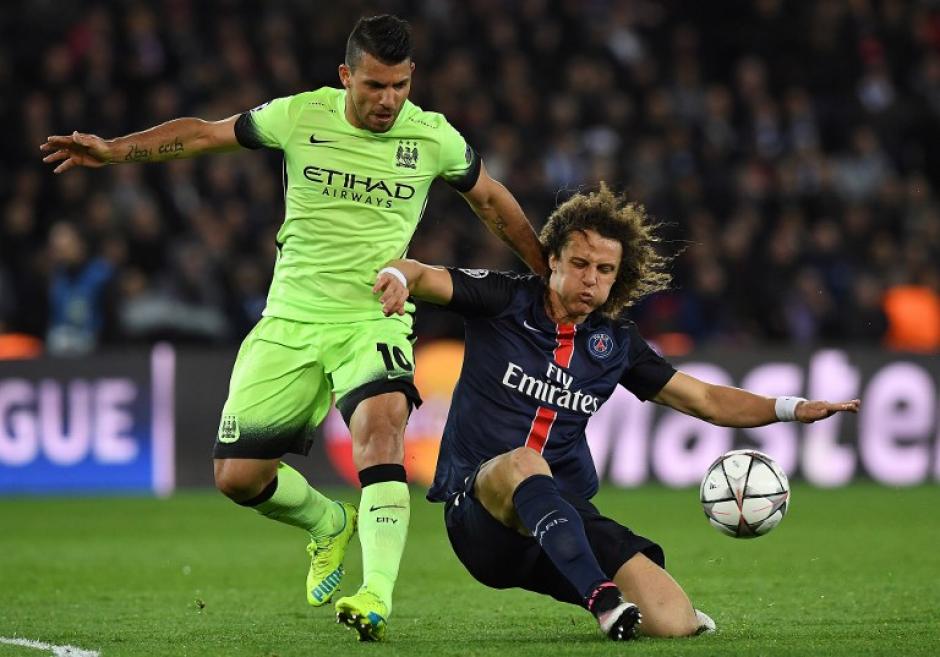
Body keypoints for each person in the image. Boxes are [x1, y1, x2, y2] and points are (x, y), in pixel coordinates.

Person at [40, 14, 546, 642]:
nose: (387, 100)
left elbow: (493, 201)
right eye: (373, 86)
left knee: (383, 430)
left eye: (399, 86)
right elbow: (201, 134)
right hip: (290, 319)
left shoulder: (434, 138)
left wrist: (546, 273)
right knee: (237, 478)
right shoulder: (300, 115)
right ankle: (328, 523)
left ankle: (376, 595)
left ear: (412, 78)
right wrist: (116, 150)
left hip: (372, 316)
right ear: (345, 77)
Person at [373, 183, 860, 641]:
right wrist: (398, 276)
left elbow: (707, 401)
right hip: (481, 518)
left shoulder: (616, 345)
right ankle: (602, 598)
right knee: (524, 461)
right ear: (552, 259)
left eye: (604, 270)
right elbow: (421, 275)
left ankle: (612, 596)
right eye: (580, 263)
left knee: (673, 622)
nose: (590, 279)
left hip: (563, 520)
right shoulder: (503, 299)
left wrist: (792, 408)